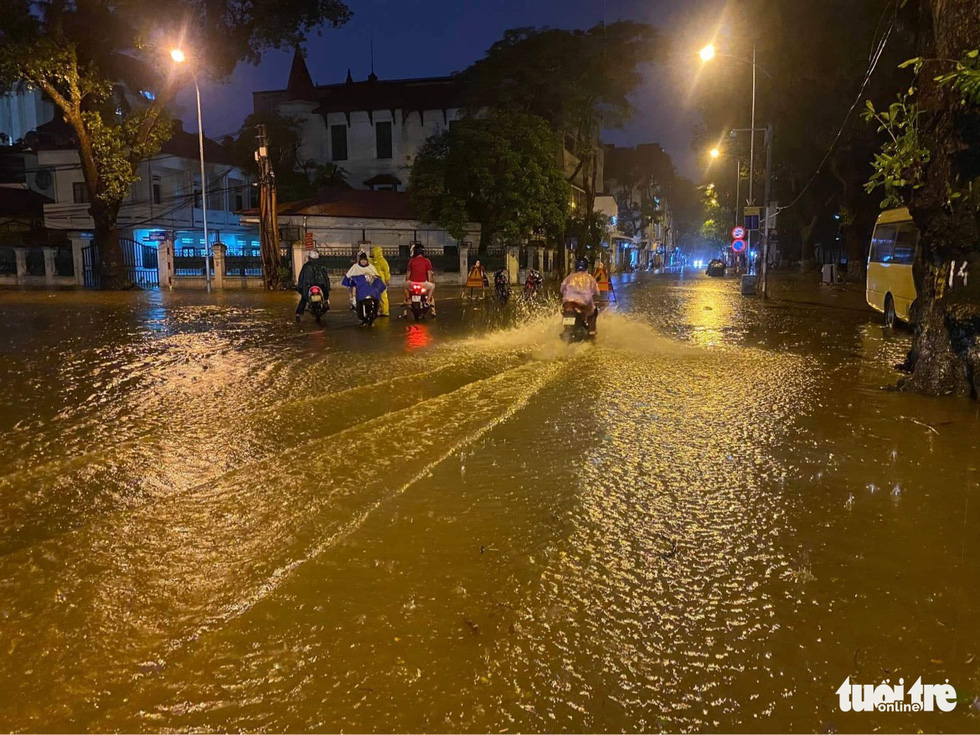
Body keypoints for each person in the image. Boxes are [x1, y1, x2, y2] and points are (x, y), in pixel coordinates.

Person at [560, 257, 600, 335]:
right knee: (594, 311)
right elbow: (596, 292)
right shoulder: (590, 278)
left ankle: (566, 330)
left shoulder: (569, 277)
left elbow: (561, 290)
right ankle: (591, 330)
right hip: (583, 304)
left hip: (568, 304)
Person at [295, 250, 330, 322]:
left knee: (303, 299)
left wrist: (300, 287)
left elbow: (301, 278)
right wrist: (327, 288)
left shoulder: (306, 266)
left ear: (309, 257)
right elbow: (326, 278)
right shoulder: (321, 266)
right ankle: (325, 304)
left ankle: (298, 314)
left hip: (308, 286)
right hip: (320, 285)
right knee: (325, 298)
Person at [404, 243, 436, 315]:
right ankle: (427, 302)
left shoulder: (411, 261)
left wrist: (407, 282)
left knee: (404, 285)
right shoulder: (427, 261)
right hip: (423, 284)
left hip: (412, 283)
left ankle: (409, 300)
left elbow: (407, 275)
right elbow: (429, 276)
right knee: (432, 286)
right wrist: (430, 282)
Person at [368, 246, 391, 317]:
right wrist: (387, 280)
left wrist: (387, 280)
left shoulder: (380, 261)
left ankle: (384, 311)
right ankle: (382, 310)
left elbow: (386, 271)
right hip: (378, 280)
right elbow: (387, 271)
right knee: (380, 296)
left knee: (381, 296)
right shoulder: (379, 261)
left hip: (378, 281)